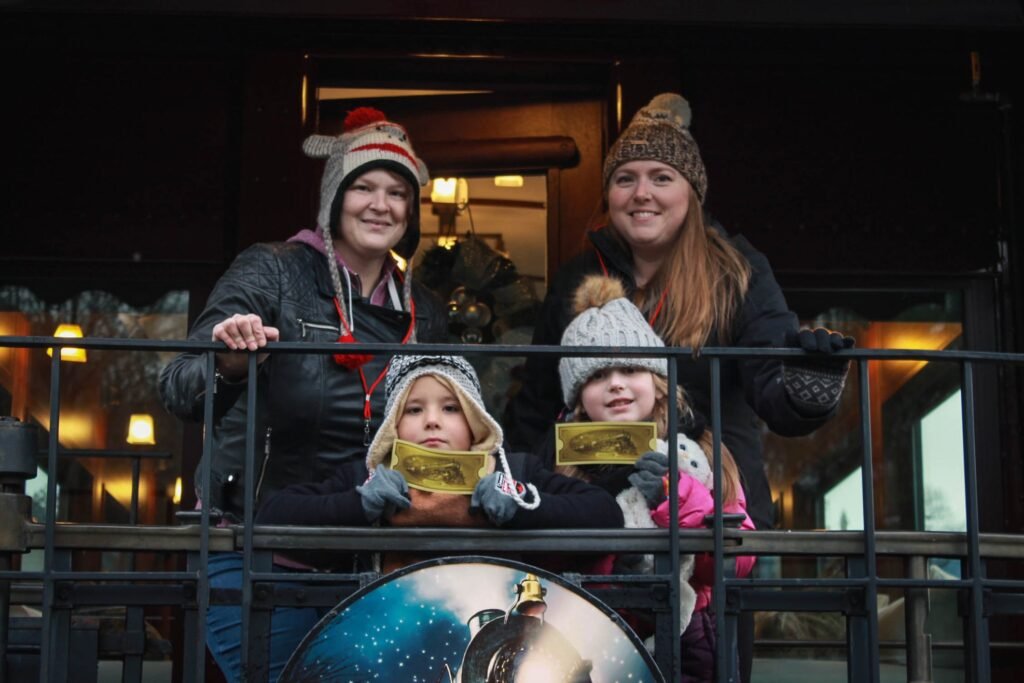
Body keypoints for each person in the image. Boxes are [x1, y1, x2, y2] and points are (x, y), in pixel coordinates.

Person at [503, 92, 852, 681]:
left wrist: (807, 381)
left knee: (706, 666)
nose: (642, 193)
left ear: (692, 191)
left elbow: (772, 379)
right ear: (608, 194)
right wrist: (511, 483)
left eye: (661, 176)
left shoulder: (736, 269)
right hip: (593, 516)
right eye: (625, 178)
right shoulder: (576, 275)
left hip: (712, 517)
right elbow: (541, 399)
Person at [158, 107, 447, 682]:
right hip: (255, 550)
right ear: (334, 197)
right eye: (363, 186)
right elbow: (178, 386)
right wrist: (232, 365)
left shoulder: (427, 311)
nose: (380, 204)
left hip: (375, 560)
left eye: (397, 192)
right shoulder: (274, 271)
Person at [552, 274, 755, 683]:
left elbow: (740, 556)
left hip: (688, 641)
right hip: (596, 641)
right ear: (576, 400)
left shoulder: (701, 449)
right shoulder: (564, 466)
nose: (615, 385)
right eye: (595, 376)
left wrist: (675, 495)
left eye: (629, 368)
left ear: (658, 383)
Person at [257, 353, 624, 574]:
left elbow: (604, 513)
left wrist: (520, 500)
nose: (432, 420)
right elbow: (273, 514)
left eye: (451, 408)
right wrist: (358, 502)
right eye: (414, 410)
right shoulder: (369, 475)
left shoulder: (515, 470)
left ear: (475, 420)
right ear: (393, 427)